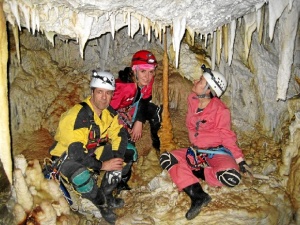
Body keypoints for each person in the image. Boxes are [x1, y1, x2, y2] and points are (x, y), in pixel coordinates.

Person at [159, 65, 252, 220]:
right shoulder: (192, 100)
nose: (195, 81)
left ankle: (199, 172)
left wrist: (240, 161)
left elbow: (227, 137)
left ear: (208, 89)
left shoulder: (221, 111)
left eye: (201, 81)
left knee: (231, 177)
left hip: (217, 152)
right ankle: (198, 195)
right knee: (166, 159)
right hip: (196, 152)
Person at [49, 71, 128, 224]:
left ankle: (107, 195)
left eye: (108, 93)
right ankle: (102, 205)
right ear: (92, 92)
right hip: (66, 157)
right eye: (99, 92)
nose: (104, 97)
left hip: (91, 151)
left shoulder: (108, 114)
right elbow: (76, 153)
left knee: (126, 155)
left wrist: (117, 158)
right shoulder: (78, 116)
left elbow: (120, 134)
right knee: (82, 177)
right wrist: (103, 165)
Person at [110, 50, 162, 192]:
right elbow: (106, 111)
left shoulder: (146, 82)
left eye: (151, 72)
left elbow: (144, 101)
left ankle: (160, 148)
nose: (148, 76)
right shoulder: (123, 88)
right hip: (115, 118)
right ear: (135, 70)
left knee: (156, 110)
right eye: (144, 72)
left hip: (129, 114)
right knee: (128, 151)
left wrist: (139, 121)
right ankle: (119, 182)